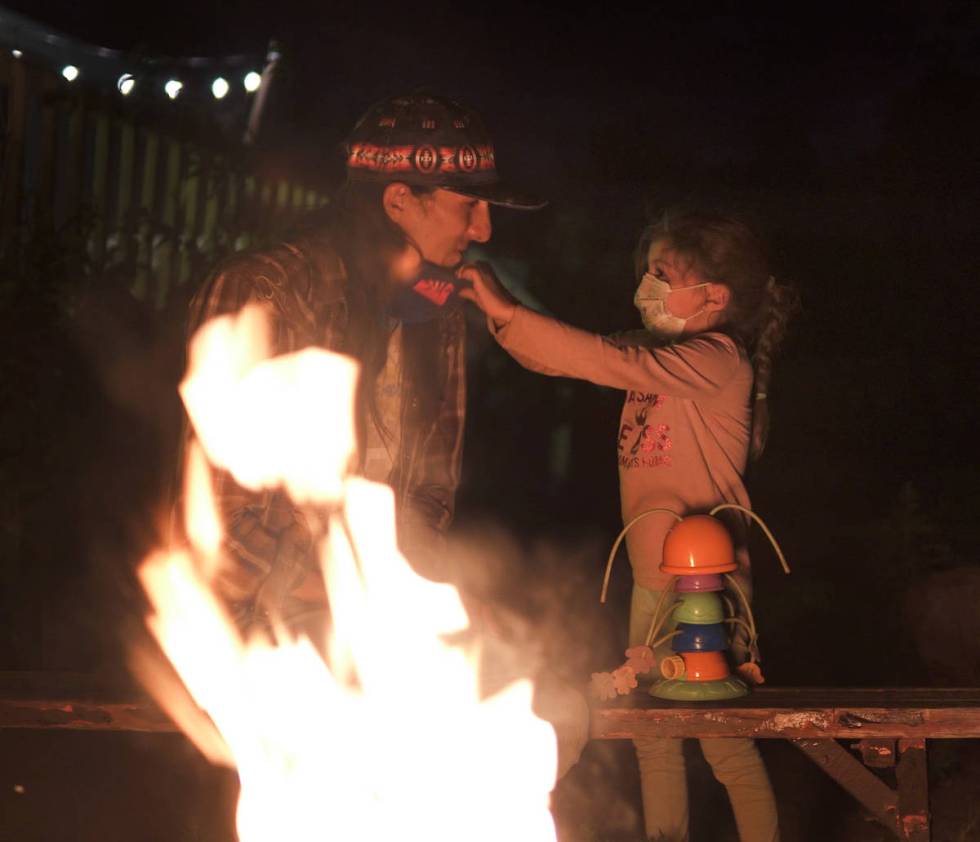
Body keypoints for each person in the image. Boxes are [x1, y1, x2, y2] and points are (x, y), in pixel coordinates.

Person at [460, 210, 798, 842]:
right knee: (651, 735)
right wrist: (499, 315)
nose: (646, 286)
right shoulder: (659, 352)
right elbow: (574, 357)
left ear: (713, 297)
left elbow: (603, 359)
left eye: (662, 274)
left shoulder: (719, 360)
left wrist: (509, 310)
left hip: (708, 589)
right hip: (652, 581)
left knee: (722, 745)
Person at [179, 92, 545, 627]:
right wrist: (363, 596)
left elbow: (430, 492)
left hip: (370, 631)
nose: (484, 231)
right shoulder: (265, 293)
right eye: (469, 205)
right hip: (255, 642)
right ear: (398, 200)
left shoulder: (437, 306)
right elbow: (219, 525)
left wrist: (415, 597)